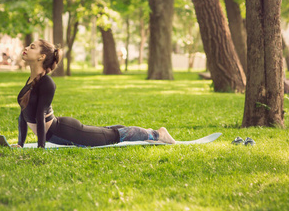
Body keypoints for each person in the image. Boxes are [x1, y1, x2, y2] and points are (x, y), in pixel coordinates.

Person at [12, 39, 176, 149]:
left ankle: (158, 133)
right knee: (109, 131)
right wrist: (21, 144)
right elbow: (23, 116)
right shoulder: (30, 81)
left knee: (114, 135)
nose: (26, 48)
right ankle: (147, 132)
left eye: (32, 47)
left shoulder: (47, 83)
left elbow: (40, 116)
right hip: (57, 133)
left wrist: (41, 148)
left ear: (41, 56)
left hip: (65, 131)